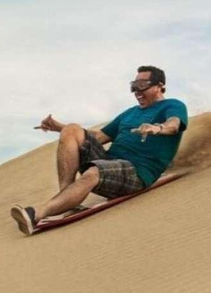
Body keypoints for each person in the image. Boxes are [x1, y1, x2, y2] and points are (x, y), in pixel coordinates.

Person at [10, 66, 188, 235]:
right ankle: (66, 200)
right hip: (110, 162)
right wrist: (61, 128)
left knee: (94, 171)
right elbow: (98, 137)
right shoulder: (130, 113)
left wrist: (158, 128)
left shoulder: (173, 105)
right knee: (72, 129)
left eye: (142, 86)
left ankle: (37, 214)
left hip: (137, 172)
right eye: (133, 87)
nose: (137, 92)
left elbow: (174, 124)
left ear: (160, 86)